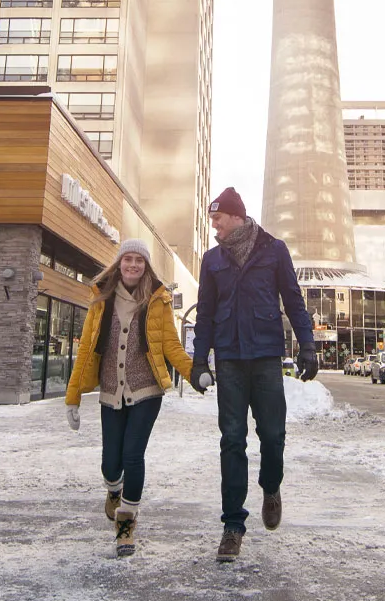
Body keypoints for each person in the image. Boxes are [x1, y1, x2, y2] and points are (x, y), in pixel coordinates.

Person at [193, 187, 317, 563]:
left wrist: (308, 345)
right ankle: (232, 526)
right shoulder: (212, 259)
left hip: (265, 356)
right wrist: (199, 361)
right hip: (229, 358)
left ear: (235, 216)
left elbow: (294, 300)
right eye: (212, 219)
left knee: (273, 435)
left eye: (217, 218)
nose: (213, 225)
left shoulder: (273, 249)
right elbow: (205, 314)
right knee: (232, 440)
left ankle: (271, 486)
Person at [65, 239, 199, 557]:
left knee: (133, 456)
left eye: (140, 260)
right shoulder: (101, 300)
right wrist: (72, 397)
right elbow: (85, 349)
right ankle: (113, 489)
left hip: (146, 392)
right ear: (119, 263)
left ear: (146, 266)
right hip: (111, 391)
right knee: (111, 462)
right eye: (128, 259)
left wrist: (195, 374)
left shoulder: (158, 301)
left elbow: (171, 346)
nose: (133, 265)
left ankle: (126, 525)